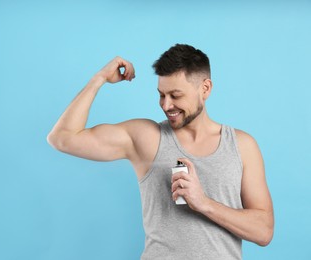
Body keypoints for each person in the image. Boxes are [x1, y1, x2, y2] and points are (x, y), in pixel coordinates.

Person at [47, 44, 274, 259]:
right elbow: (62, 138)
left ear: (205, 89)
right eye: (161, 95)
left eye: (175, 95)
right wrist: (99, 79)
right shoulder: (147, 138)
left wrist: (203, 202)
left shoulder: (242, 145)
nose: (166, 105)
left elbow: (263, 231)